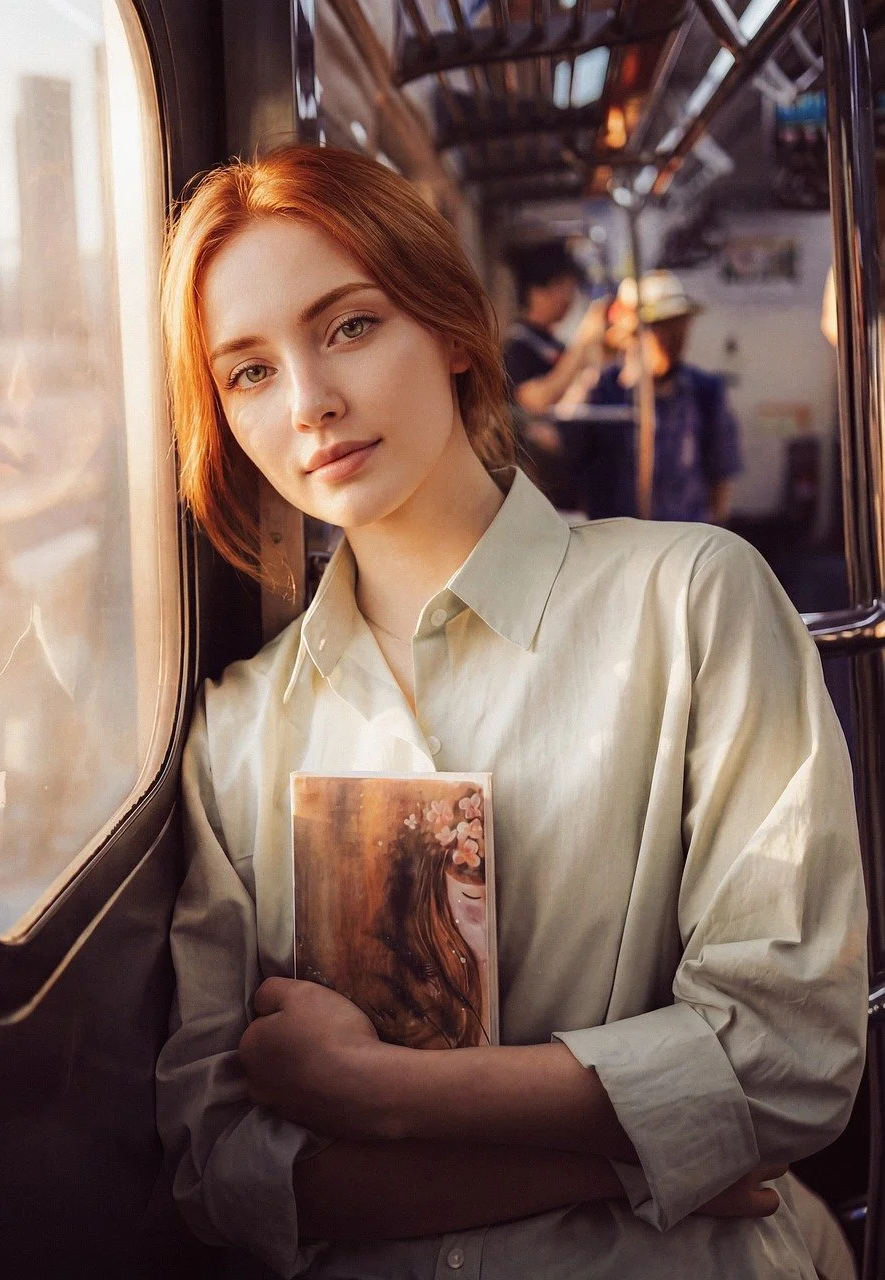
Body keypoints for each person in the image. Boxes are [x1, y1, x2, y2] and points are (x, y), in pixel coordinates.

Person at [156, 145, 867, 1280]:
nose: (309, 402)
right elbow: (221, 1163)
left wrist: (372, 1092)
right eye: (245, 371)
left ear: (449, 328)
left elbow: (788, 1055)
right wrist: (625, 1157)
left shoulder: (690, 599)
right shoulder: (238, 728)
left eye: (347, 325)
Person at [584, 270, 743, 524]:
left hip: (685, 543)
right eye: (660, 327)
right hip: (619, 546)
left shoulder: (706, 392)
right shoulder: (603, 393)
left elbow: (721, 475)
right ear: (633, 333)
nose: (673, 338)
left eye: (679, 326)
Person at [503, 242, 607, 512]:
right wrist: (583, 342)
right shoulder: (519, 347)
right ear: (537, 292)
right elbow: (536, 400)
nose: (569, 297)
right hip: (542, 489)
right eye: (563, 287)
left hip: (574, 484)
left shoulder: (553, 343)